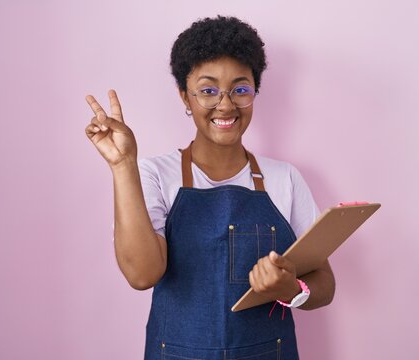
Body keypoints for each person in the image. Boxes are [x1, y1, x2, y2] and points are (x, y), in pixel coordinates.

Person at [85, 15, 335, 360]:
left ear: (254, 93)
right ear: (185, 98)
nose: (226, 104)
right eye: (207, 90)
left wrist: (291, 289)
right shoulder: (155, 174)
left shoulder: (285, 178)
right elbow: (142, 275)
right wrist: (122, 165)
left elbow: (324, 283)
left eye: (240, 89)